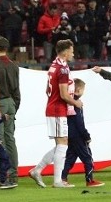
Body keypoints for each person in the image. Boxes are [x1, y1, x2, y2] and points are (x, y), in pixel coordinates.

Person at [29, 39, 82, 188]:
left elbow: (49, 90)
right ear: (65, 52)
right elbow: (64, 95)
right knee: (63, 143)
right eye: (71, 50)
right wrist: (76, 102)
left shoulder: (54, 65)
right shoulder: (63, 69)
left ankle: (38, 170)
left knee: (62, 144)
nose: (73, 53)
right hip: (58, 109)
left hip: (54, 108)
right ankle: (57, 180)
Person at [0, 37, 20, 186]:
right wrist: (15, 108)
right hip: (11, 103)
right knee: (10, 140)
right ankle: (13, 175)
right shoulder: (14, 66)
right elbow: (17, 90)